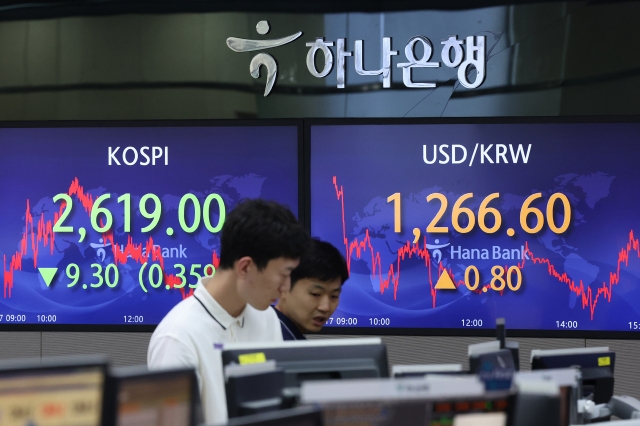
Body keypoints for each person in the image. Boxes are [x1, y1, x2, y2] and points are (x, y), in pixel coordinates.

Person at [147, 199, 309, 425]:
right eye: (283, 274)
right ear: (245, 267)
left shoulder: (266, 318)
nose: (286, 288)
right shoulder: (177, 337)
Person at [273, 238, 349, 340]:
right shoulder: (275, 342)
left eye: (334, 296)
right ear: (283, 287)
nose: (325, 307)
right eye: (315, 294)